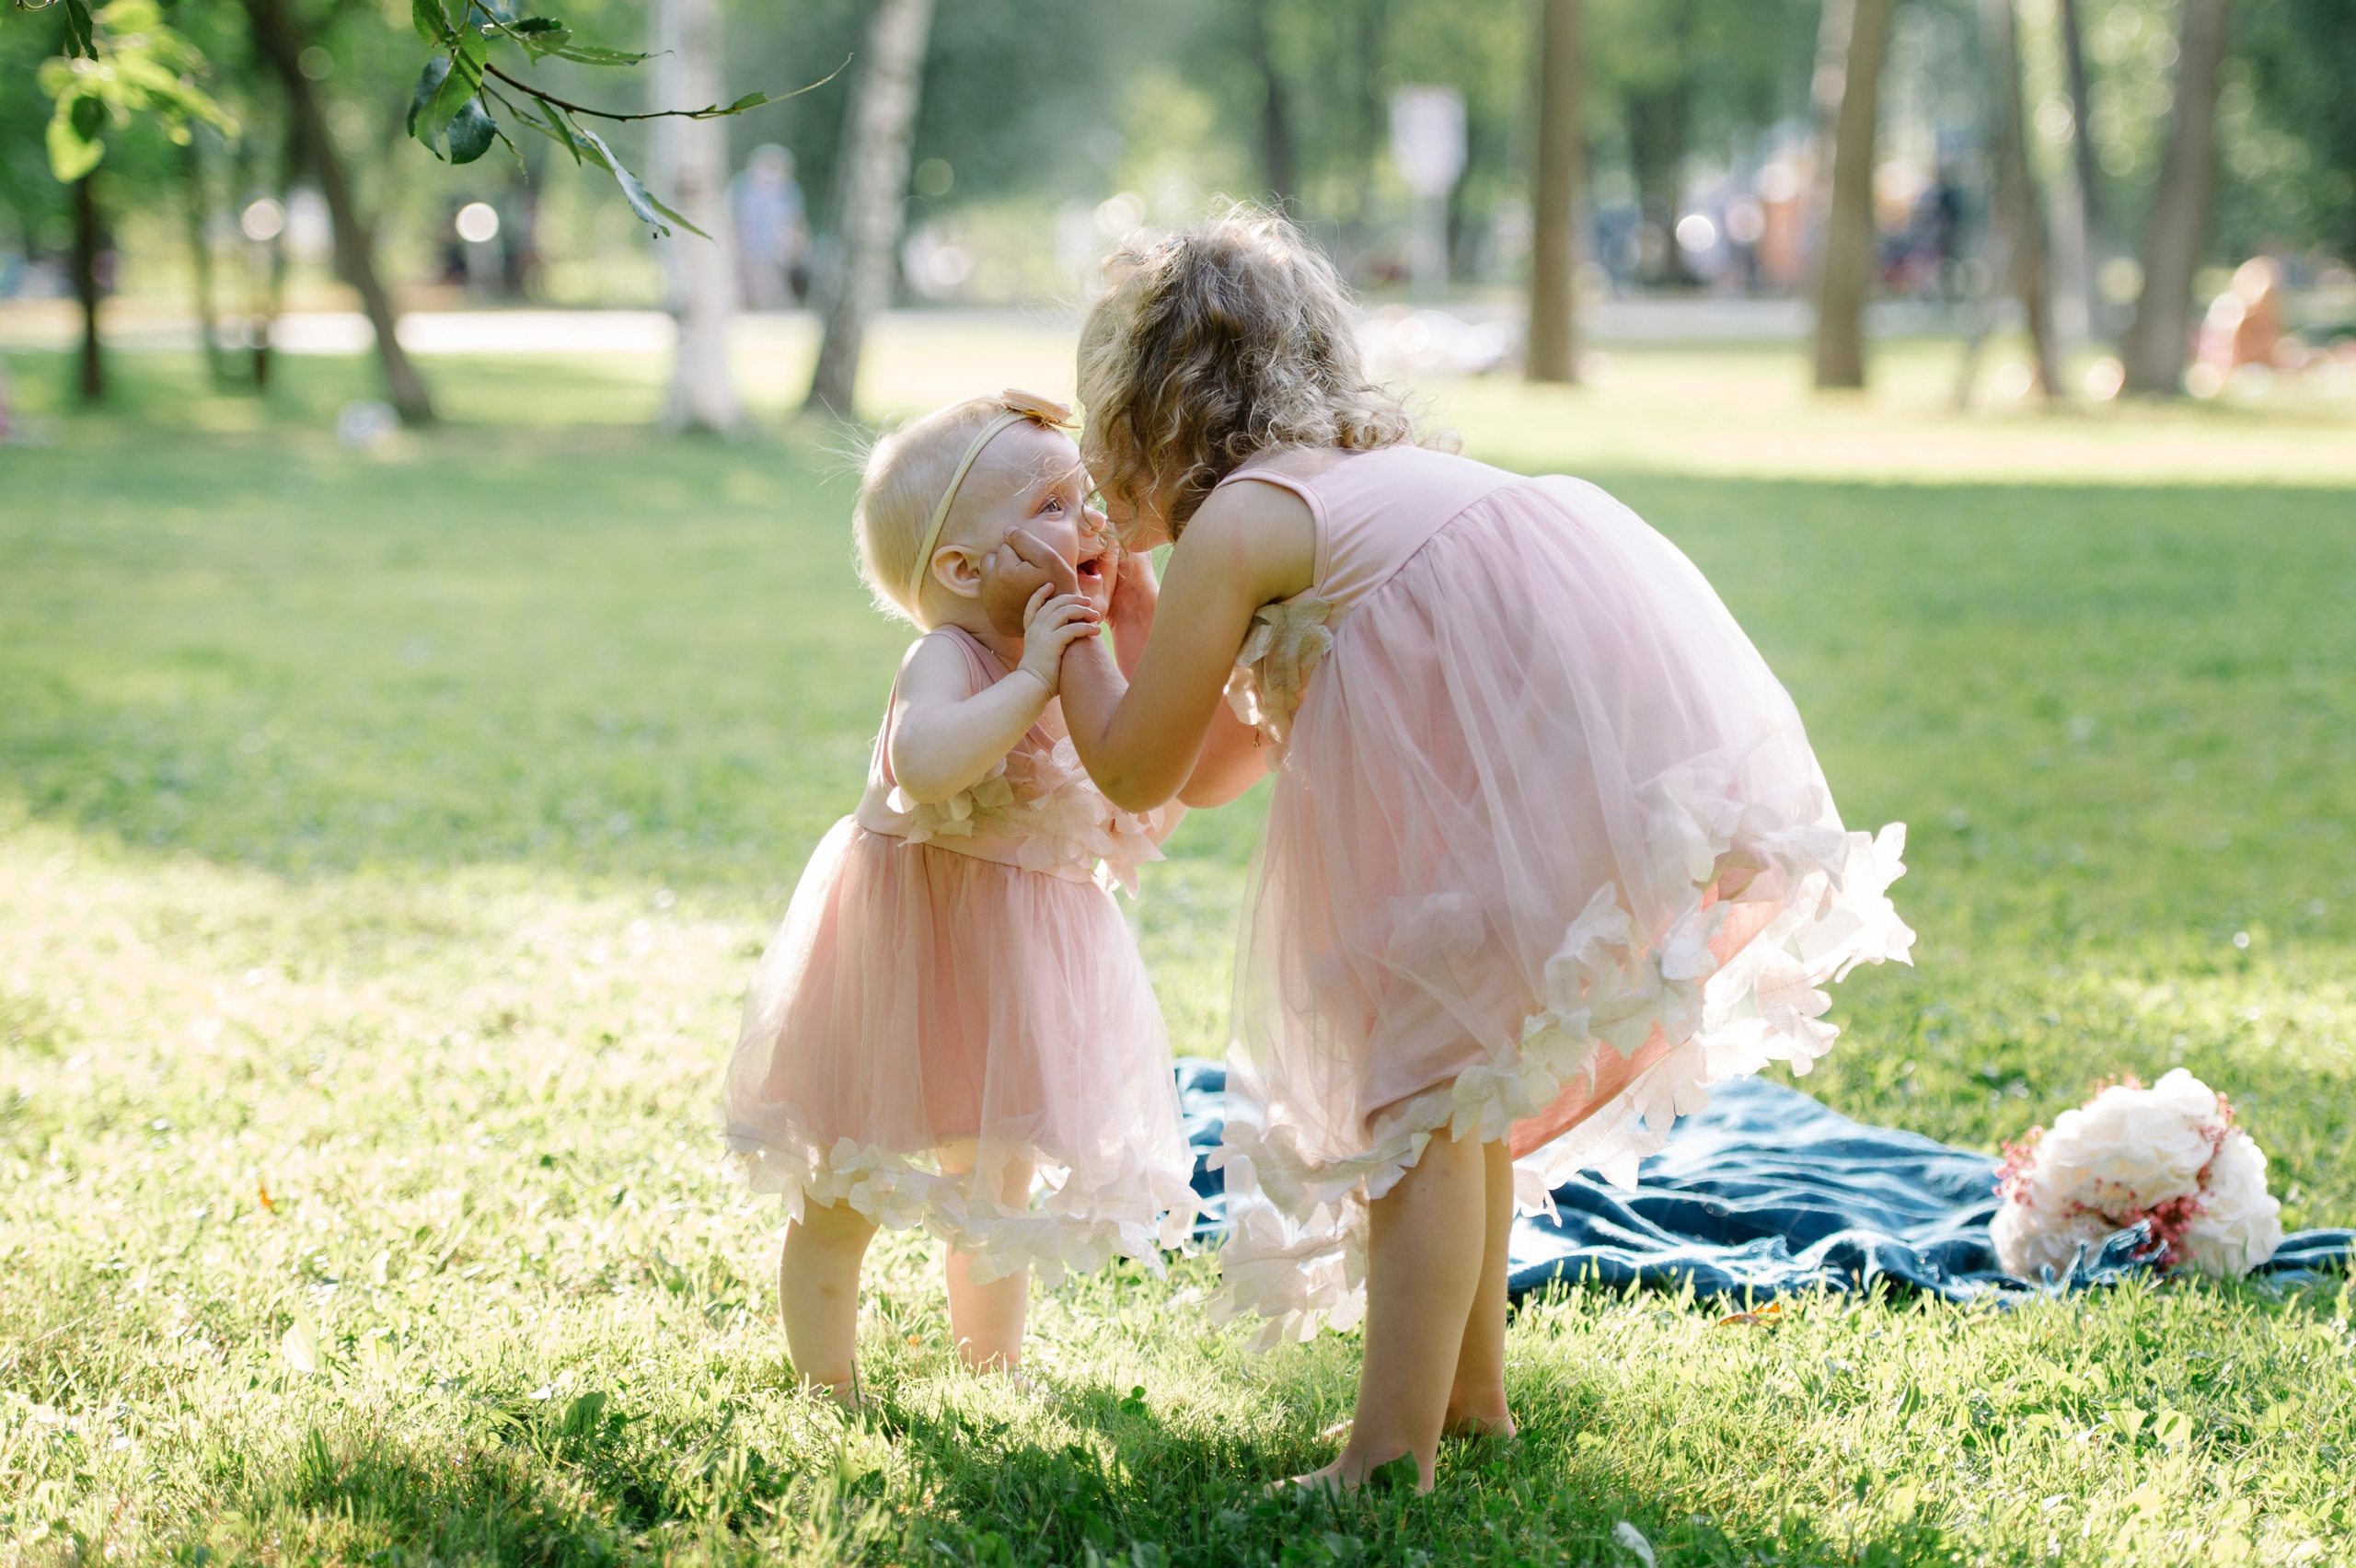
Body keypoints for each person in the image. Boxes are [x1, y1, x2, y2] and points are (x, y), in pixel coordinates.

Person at [985, 213, 1913, 1491]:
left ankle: (1385, 1459)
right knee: (1456, 1087)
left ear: (1150, 415)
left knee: (1415, 1111)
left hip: (1503, 766)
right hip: (1576, 741)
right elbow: (1210, 774)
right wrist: (1142, 620)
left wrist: (1072, 638)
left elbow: (1134, 767)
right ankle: (1468, 1401)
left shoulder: (1241, 523)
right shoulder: (1354, 477)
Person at [719, 391, 1198, 1408]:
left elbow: (1136, 795)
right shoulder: (949, 657)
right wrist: (1030, 676)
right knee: (843, 1186)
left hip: (1011, 964)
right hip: (903, 958)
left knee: (1000, 1185)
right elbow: (925, 764)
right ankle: (826, 1384)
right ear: (965, 570)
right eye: (1060, 505)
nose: (1094, 523)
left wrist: (1102, 644)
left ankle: (993, 1367)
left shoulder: (1069, 648)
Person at [730, 144, 810, 309]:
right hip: (750, 244)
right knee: (752, 277)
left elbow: (796, 219)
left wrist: (798, 245)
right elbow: (736, 217)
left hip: (775, 247)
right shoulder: (743, 187)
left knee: (772, 278)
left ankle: (771, 302)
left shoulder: (789, 189)